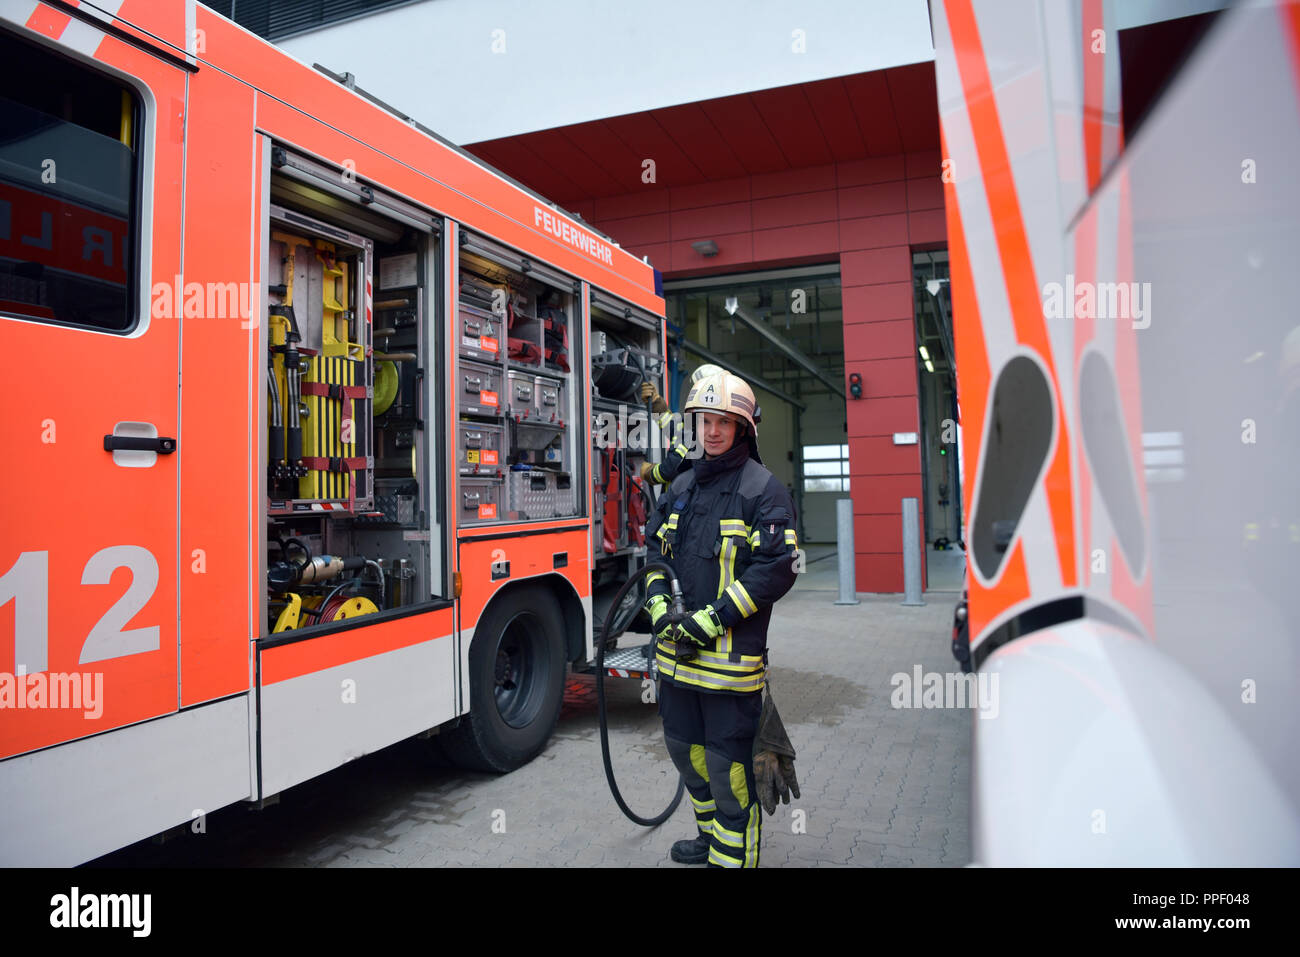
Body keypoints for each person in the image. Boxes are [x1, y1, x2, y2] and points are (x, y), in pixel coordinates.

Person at [642, 371, 800, 867]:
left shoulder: (764, 491)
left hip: (730, 671)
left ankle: (731, 857)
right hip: (676, 664)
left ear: (743, 428)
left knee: (728, 776)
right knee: (687, 757)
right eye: (704, 421)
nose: (711, 431)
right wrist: (660, 606)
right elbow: (653, 552)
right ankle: (709, 841)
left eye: (723, 422)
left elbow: (776, 568)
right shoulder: (682, 485)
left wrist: (713, 619)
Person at [637, 363, 723, 486]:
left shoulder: (702, 428)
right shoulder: (700, 422)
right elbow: (677, 429)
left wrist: (649, 473)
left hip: (682, 500)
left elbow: (671, 468)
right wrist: (657, 404)